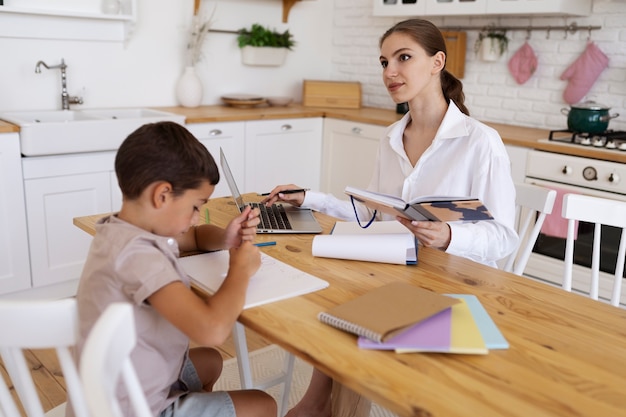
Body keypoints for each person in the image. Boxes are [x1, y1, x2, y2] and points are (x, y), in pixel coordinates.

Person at [261, 18, 518, 417]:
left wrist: (449, 235)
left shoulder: (479, 141)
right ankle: (321, 405)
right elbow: (369, 213)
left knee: (350, 311)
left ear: (437, 63)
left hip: (459, 283)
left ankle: (317, 406)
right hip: (404, 271)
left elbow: (504, 237)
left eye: (403, 58)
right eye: (384, 61)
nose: (390, 72)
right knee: (335, 300)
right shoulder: (392, 137)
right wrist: (310, 198)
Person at [72, 121, 277, 417]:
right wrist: (240, 270)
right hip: (132, 409)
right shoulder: (138, 256)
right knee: (262, 405)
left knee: (211, 361)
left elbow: (193, 237)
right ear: (163, 195)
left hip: (117, 385)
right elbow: (212, 329)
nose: (196, 218)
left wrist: (225, 238)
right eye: (196, 206)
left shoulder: (127, 230)